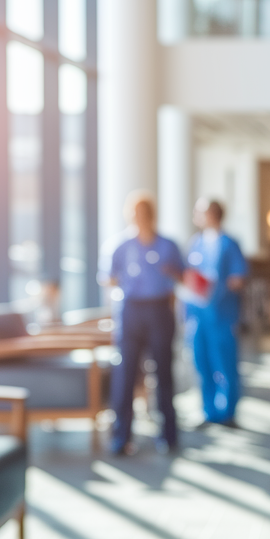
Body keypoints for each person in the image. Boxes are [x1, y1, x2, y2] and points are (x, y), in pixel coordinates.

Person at [100, 191, 183, 455]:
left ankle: (168, 437)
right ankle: (121, 437)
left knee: (163, 375)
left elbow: (182, 275)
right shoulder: (120, 246)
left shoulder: (168, 245)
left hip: (159, 310)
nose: (140, 219)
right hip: (131, 311)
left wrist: (170, 274)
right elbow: (107, 278)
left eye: (144, 213)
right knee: (125, 376)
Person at [184, 199, 249, 427]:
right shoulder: (196, 243)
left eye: (200, 211)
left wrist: (218, 286)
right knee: (203, 363)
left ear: (212, 214)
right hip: (199, 316)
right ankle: (208, 411)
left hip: (222, 314)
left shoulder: (229, 244)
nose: (196, 215)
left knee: (225, 363)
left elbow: (238, 278)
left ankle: (228, 412)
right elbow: (190, 278)